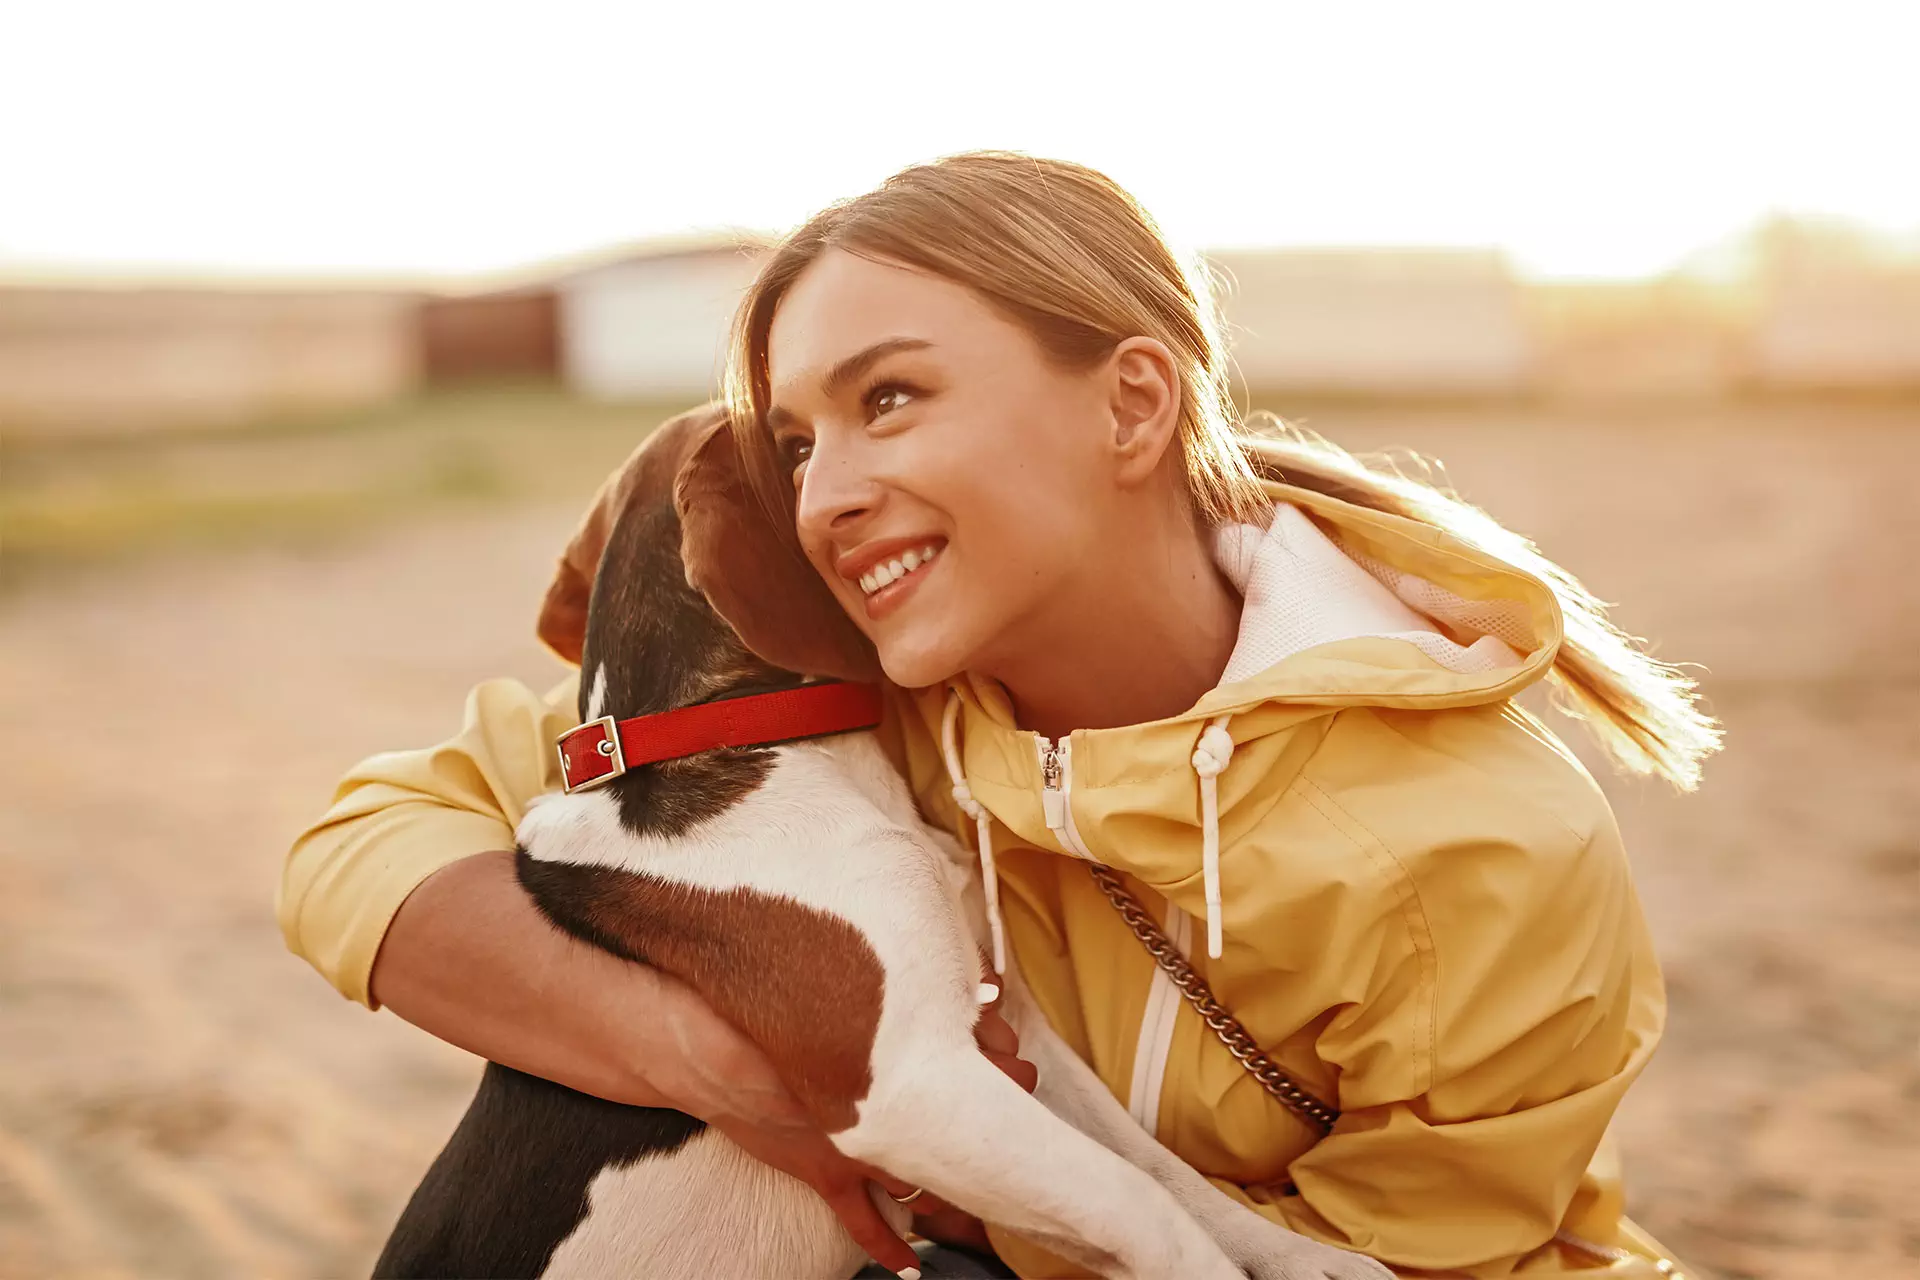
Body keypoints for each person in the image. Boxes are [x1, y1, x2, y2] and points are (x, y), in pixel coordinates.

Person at [279, 152, 1717, 1278]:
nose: (823, 494)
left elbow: (1403, 1266)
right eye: (794, 441)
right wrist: (723, 1066)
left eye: (888, 398)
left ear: (1134, 404)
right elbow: (355, 847)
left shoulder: (1472, 853)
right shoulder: (848, 704)